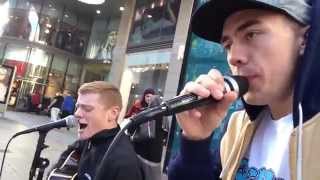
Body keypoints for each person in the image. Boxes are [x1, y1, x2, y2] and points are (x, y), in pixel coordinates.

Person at [168, 0, 320, 179]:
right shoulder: (238, 127)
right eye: (228, 45)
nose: (233, 57)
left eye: (252, 34)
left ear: (306, 39)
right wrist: (195, 143)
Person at [48, 81, 143, 180]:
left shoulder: (124, 163)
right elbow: (61, 166)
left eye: (87, 108)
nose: (77, 113)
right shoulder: (87, 140)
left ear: (113, 113)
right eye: (78, 107)